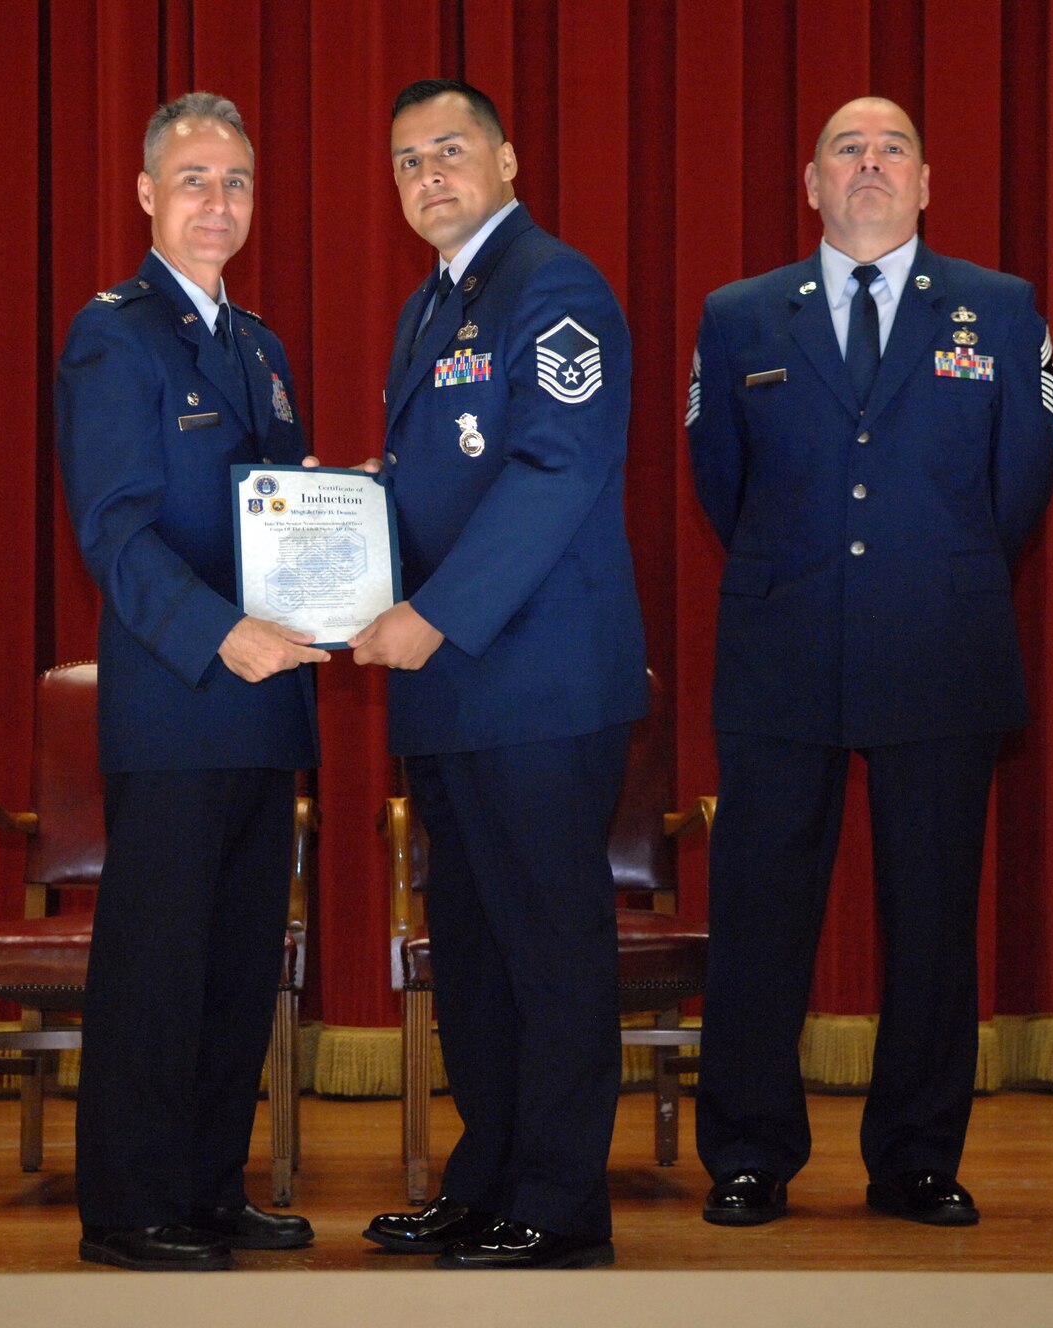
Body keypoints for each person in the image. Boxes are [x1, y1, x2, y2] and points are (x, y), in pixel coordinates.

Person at [686, 96, 1053, 1229]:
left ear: (925, 180)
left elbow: (1020, 482)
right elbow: (719, 480)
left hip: (937, 647)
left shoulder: (998, 309)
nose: (867, 163)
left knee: (933, 919)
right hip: (780, 645)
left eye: (889, 146)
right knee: (757, 915)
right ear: (808, 184)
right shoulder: (739, 315)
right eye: (844, 149)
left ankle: (914, 1158)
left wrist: (921, 576)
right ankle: (749, 1153)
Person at [354, 78, 648, 1270]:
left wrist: (431, 613)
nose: (429, 173)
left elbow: (551, 471)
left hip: (535, 687)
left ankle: (561, 1199)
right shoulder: (430, 308)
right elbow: (418, 495)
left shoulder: (554, 287)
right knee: (473, 955)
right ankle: (486, 1178)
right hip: (449, 692)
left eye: (450, 150)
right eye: (407, 159)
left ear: (508, 158)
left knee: (549, 945)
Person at [54, 92, 324, 1272]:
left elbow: (280, 513)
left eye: (238, 182)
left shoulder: (257, 344)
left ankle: (209, 1188)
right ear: (148, 196)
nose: (219, 202)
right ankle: (128, 1202)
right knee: (157, 963)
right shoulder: (113, 333)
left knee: (232, 965)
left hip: (268, 705)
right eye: (196, 180)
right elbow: (115, 530)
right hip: (180, 696)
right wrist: (224, 634)